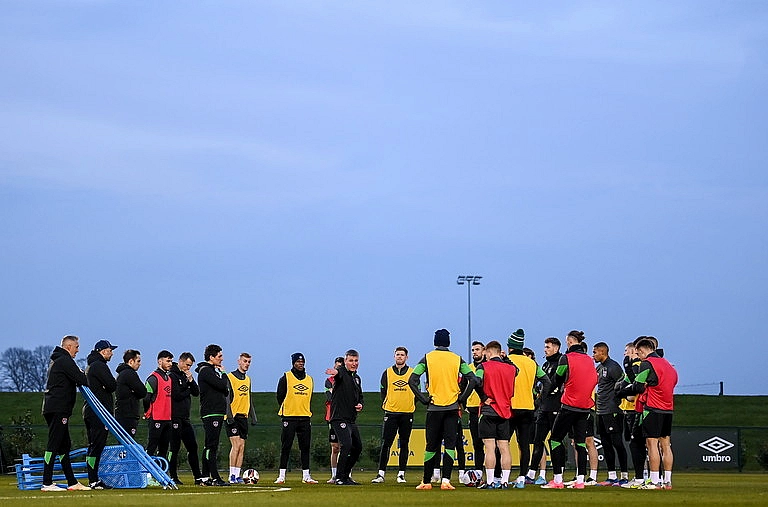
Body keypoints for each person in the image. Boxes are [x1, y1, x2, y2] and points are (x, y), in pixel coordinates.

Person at [409, 329, 476, 490]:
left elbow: (412, 380)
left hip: (434, 409)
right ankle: (446, 480)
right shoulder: (457, 359)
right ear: (448, 342)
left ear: (435, 342)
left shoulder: (427, 358)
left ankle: (426, 481)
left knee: (431, 445)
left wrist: (423, 398)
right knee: (450, 445)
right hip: (452, 409)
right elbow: (473, 379)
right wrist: (462, 398)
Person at [541, 330, 597, 490]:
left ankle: (558, 479)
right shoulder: (589, 360)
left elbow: (557, 378)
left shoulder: (566, 358)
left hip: (569, 405)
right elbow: (594, 380)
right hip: (584, 407)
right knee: (580, 442)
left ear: (570, 342)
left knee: (555, 440)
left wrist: (548, 390)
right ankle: (580, 480)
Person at [623, 337, 678, 489]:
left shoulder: (647, 363)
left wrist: (641, 385)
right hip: (668, 408)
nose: (639, 357)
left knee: (652, 443)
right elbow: (673, 382)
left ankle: (654, 481)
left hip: (653, 408)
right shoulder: (668, 364)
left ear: (642, 351)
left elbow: (638, 387)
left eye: (638, 354)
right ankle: (667, 481)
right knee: (666, 444)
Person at [40, 335, 90, 491]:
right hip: (58, 408)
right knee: (54, 443)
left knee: (64, 445)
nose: (78, 350)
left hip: (53, 407)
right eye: (76, 347)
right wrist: (81, 373)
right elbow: (82, 379)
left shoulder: (57, 360)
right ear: (68, 347)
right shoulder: (65, 360)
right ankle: (47, 482)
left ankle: (72, 482)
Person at [506, 329, 551, 488]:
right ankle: (521, 479)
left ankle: (500, 478)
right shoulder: (531, 363)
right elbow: (547, 382)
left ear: (510, 347)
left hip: (509, 407)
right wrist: (539, 400)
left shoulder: (507, 360)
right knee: (524, 445)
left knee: (503, 444)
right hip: (528, 408)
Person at [473, 340, 517, 489]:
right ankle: (504, 481)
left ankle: (491, 481)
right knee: (504, 447)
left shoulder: (483, 367)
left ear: (489, 352)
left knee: (490, 448)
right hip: (505, 411)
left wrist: (483, 397)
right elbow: (517, 370)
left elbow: (475, 381)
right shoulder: (510, 369)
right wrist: (505, 358)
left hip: (489, 410)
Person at [372, 347, 415, 484]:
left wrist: (409, 404)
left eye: (402, 355)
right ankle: (380, 474)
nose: (400, 357)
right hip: (391, 412)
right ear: (394, 356)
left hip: (406, 413)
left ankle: (401, 474)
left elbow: (417, 392)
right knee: (386, 443)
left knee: (404, 443)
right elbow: (383, 390)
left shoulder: (412, 373)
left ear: (406, 357)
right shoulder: (387, 372)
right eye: (397, 355)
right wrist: (387, 404)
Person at [275, 352, 316, 484]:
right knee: (286, 446)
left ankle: (306, 475)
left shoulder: (309, 379)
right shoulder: (286, 377)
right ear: (293, 363)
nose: (301, 363)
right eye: (298, 361)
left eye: (302, 361)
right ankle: (281, 475)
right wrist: (288, 408)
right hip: (289, 417)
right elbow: (280, 396)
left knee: (305, 447)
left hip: (304, 417)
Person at [592, 341, 629, 486]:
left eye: (595, 352)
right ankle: (611, 475)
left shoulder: (613, 367)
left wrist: (617, 399)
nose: (593, 355)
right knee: (606, 443)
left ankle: (624, 475)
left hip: (612, 411)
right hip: (600, 411)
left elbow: (623, 383)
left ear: (602, 352)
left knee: (617, 443)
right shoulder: (599, 368)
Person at [326, 349, 364, 486]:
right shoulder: (342, 373)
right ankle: (339, 478)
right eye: (351, 361)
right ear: (345, 361)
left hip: (350, 420)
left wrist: (360, 404)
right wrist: (335, 372)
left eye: (356, 361)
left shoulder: (357, 378)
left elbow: (360, 397)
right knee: (346, 445)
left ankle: (346, 476)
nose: (354, 363)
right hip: (338, 418)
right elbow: (338, 373)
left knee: (358, 447)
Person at [83, 339, 118, 490]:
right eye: (110, 350)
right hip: (99, 411)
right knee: (97, 446)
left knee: (94, 446)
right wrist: (106, 386)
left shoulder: (91, 365)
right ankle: (93, 480)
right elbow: (112, 385)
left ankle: (93, 479)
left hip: (90, 410)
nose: (112, 353)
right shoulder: (99, 365)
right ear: (103, 351)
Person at [527, 337, 561, 485]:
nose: (545, 349)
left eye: (547, 347)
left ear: (556, 348)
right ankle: (531, 473)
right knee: (537, 440)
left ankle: (558, 473)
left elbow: (556, 384)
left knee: (555, 441)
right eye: (545, 347)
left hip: (556, 407)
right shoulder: (546, 364)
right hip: (544, 408)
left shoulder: (561, 362)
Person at [196, 344, 230, 486]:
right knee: (212, 446)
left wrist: (223, 384)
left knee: (209, 445)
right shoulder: (206, 371)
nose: (221, 359)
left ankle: (204, 477)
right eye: (219, 356)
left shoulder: (212, 371)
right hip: (211, 412)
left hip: (217, 412)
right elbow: (223, 385)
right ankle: (215, 477)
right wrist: (223, 374)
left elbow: (226, 389)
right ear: (211, 357)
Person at [168, 351, 203, 485]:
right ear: (181, 362)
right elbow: (176, 395)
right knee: (174, 448)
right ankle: (173, 476)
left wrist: (191, 381)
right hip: (175, 417)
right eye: (187, 365)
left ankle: (197, 476)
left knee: (192, 447)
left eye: (190, 366)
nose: (188, 368)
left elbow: (196, 392)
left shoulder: (185, 376)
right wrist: (187, 387)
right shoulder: (172, 375)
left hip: (185, 418)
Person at [226, 352, 258, 484]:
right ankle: (231, 475)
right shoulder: (230, 377)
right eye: (245, 361)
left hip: (243, 416)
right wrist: (228, 416)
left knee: (242, 446)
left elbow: (249, 398)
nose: (247, 364)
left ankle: (237, 474)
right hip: (233, 416)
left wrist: (253, 416)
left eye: (249, 362)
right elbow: (226, 398)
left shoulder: (248, 379)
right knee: (236, 445)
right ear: (238, 361)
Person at [144, 350, 174, 462]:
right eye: (167, 361)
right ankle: (147, 475)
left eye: (171, 361)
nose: (170, 363)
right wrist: (147, 411)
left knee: (163, 449)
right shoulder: (153, 378)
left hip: (167, 419)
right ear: (159, 361)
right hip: (156, 418)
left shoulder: (169, 378)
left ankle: (161, 475)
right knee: (151, 447)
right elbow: (147, 397)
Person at [464, 341, 485, 484]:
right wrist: (463, 402)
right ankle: (478, 474)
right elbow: (461, 387)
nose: (474, 352)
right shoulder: (468, 369)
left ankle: (494, 475)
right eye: (473, 350)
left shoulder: (487, 367)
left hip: (486, 409)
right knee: (477, 444)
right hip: (472, 410)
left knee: (491, 444)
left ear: (484, 351)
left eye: (477, 349)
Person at [114, 349, 146, 437]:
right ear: (131, 361)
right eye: (138, 361)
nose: (140, 364)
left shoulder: (121, 374)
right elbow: (142, 391)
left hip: (121, 413)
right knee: (128, 442)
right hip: (128, 415)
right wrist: (136, 393)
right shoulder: (129, 374)